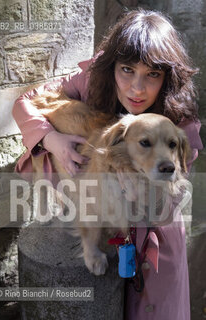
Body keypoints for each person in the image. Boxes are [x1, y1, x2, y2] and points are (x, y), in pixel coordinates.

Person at [12, 9, 203, 320]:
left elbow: (169, 201)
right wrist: (50, 140)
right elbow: (26, 102)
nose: (137, 88)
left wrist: (139, 189)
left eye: (152, 74)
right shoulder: (93, 81)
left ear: (168, 77)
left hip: (154, 246)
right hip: (99, 231)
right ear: (112, 65)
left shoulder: (181, 125)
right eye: (127, 69)